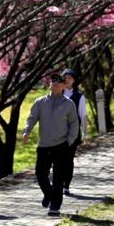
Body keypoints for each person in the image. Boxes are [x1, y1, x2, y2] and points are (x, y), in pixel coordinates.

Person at [22, 72, 79, 217]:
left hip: (61, 145)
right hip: (44, 145)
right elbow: (32, 118)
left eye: (59, 82)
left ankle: (55, 205)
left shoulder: (68, 104)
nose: (56, 84)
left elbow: (74, 124)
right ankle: (49, 194)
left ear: (63, 86)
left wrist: (69, 141)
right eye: (53, 81)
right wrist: (27, 131)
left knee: (58, 177)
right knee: (40, 174)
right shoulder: (40, 102)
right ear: (50, 84)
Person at [61, 68, 88, 196]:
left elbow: (83, 115)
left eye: (70, 78)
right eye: (65, 77)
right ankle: (59, 183)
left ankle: (66, 184)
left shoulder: (79, 96)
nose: (67, 80)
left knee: (68, 159)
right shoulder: (57, 93)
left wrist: (85, 133)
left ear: (74, 80)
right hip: (58, 132)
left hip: (73, 132)